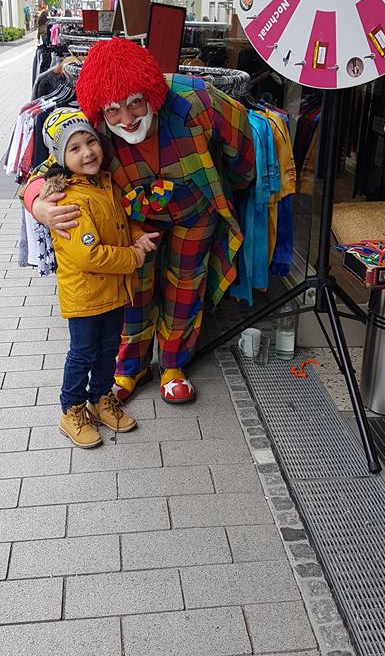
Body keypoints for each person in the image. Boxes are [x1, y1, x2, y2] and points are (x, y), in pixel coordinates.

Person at [22, 38, 255, 405]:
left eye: (135, 103)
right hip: (135, 219)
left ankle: (174, 364)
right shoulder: (94, 128)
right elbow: (45, 171)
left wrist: (240, 185)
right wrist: (38, 204)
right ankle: (131, 367)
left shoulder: (198, 99)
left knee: (186, 284)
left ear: (151, 94)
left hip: (196, 210)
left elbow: (241, 142)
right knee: (134, 288)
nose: (127, 119)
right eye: (114, 110)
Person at [38, 107, 159, 447]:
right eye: (74, 148)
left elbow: (120, 222)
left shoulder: (105, 183)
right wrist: (133, 257)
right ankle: (72, 410)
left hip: (114, 291)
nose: (87, 152)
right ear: (61, 157)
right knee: (83, 354)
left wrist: (136, 235)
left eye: (90, 142)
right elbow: (88, 255)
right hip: (86, 296)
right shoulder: (67, 199)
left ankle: (101, 398)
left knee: (109, 349)